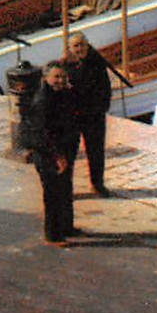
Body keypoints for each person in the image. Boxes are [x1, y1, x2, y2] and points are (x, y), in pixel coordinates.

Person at [27, 61, 81, 245]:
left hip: (65, 151)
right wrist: (58, 157)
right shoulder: (43, 100)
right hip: (49, 155)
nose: (60, 80)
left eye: (63, 77)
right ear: (46, 78)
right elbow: (42, 134)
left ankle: (67, 227)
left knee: (65, 191)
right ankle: (53, 234)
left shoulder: (64, 94)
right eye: (56, 77)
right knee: (53, 194)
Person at [65, 32, 113, 197]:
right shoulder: (65, 66)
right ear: (70, 49)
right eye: (75, 46)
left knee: (96, 152)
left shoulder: (97, 63)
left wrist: (101, 109)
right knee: (69, 153)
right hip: (73, 116)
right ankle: (66, 188)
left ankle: (97, 184)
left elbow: (106, 88)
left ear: (87, 45)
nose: (79, 49)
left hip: (93, 115)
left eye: (82, 45)